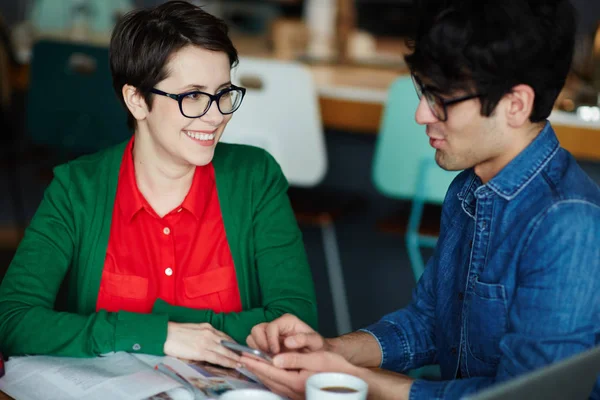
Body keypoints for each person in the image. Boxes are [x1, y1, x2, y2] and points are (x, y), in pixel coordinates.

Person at [240, 0, 600, 398]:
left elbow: (528, 397)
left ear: (515, 104)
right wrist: (331, 351)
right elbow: (431, 322)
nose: (421, 115)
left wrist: (349, 379)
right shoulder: (470, 186)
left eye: (441, 99)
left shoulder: (568, 225)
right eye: (423, 90)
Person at [0, 0, 317, 368]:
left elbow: (297, 324)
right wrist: (162, 335)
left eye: (224, 93)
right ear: (136, 100)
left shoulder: (254, 178)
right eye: (193, 96)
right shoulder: (76, 189)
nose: (215, 116)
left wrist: (164, 332)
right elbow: (13, 320)